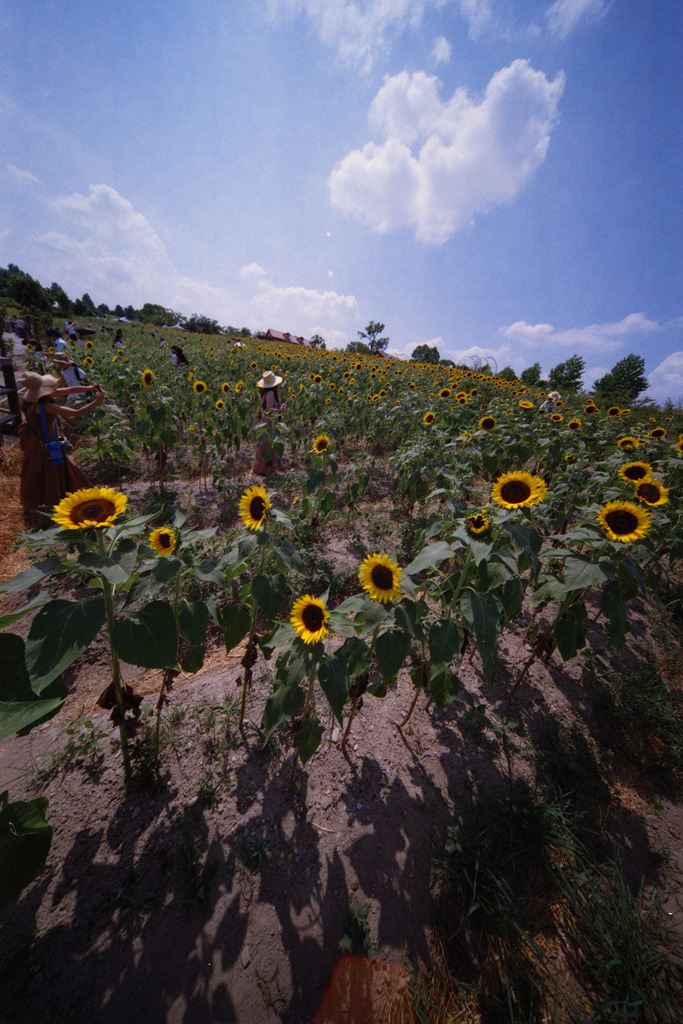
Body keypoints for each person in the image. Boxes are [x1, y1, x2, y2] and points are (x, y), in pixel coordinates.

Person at [18, 371, 107, 524]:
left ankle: (81, 489)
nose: (53, 389)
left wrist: (90, 388)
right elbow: (75, 413)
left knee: (58, 466)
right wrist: (96, 402)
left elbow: (70, 390)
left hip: (38, 441)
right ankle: (33, 505)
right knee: (40, 472)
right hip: (41, 445)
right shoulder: (44, 406)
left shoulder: (34, 399)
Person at [253, 369, 283, 476]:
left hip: (267, 421)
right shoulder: (270, 393)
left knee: (265, 444)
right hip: (269, 422)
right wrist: (280, 410)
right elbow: (268, 410)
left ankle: (263, 469)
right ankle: (265, 470)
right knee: (268, 445)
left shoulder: (266, 393)